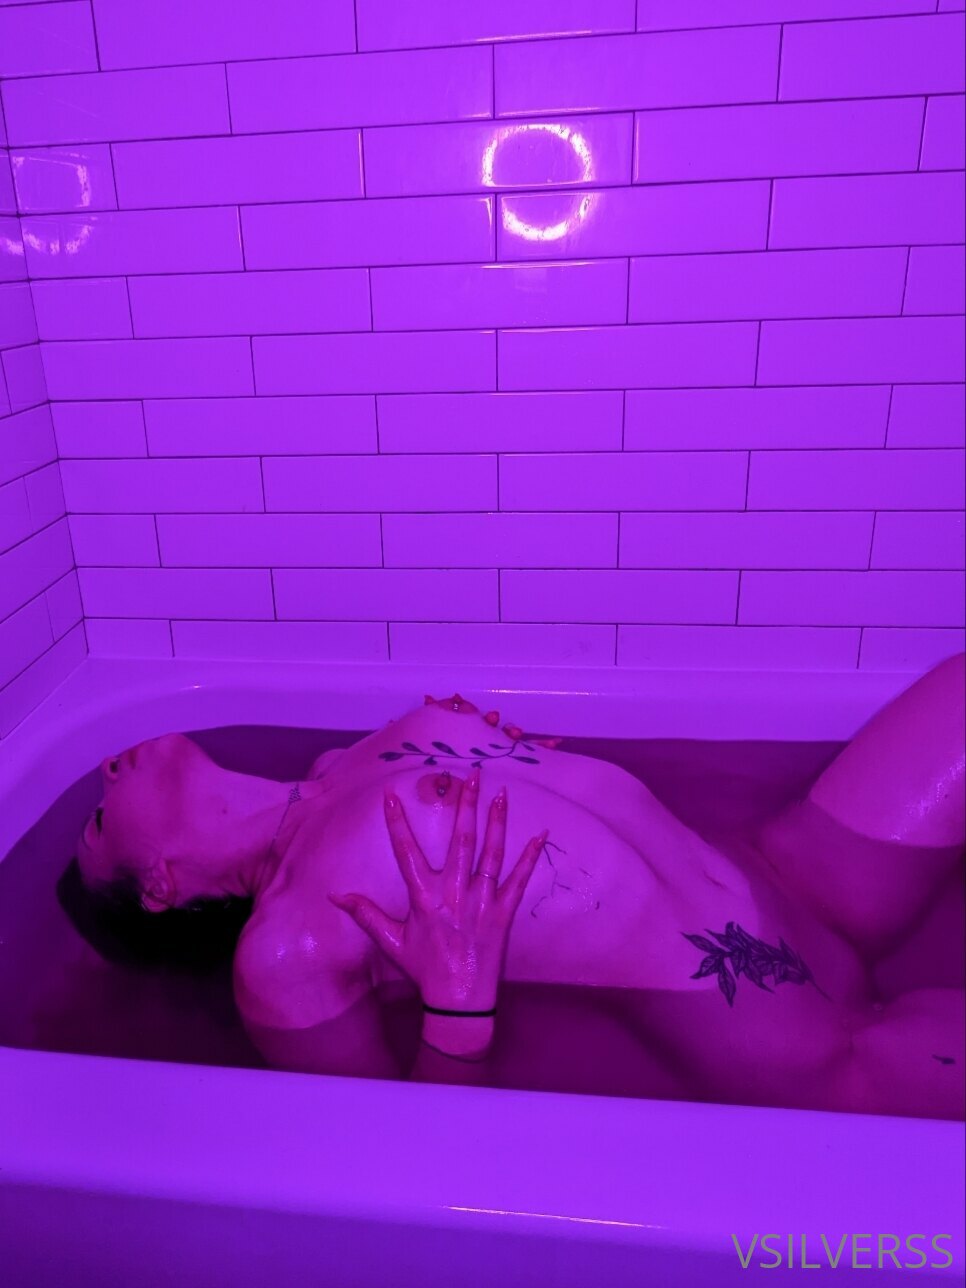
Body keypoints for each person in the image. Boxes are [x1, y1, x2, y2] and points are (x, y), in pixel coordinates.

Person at [63, 654, 966, 1118]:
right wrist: (457, 1004)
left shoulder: (336, 765)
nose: (107, 768)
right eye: (102, 824)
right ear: (160, 887)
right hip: (781, 1033)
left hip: (796, 869)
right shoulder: (283, 950)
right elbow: (398, 1171)